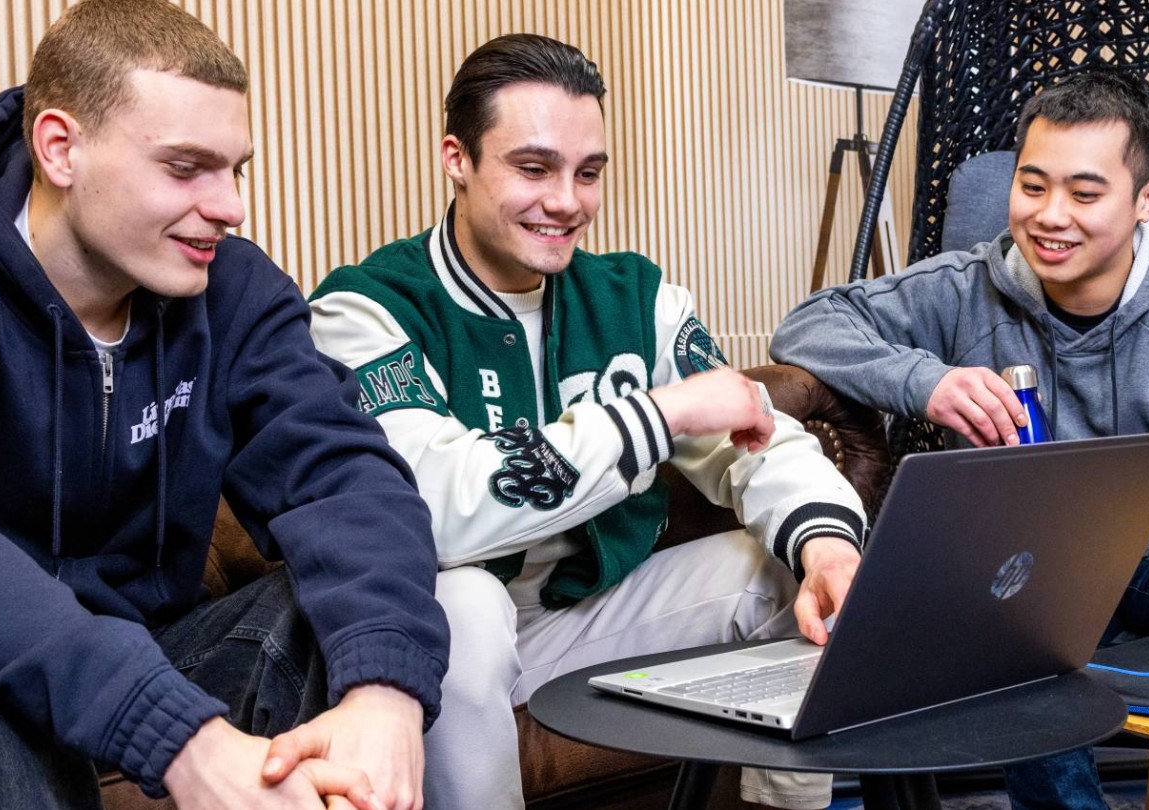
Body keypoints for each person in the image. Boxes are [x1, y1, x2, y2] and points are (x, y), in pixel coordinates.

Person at [0, 2, 447, 808]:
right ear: (60, 149)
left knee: (346, 620)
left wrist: (384, 689)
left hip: (165, 651)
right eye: (185, 168)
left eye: (234, 169)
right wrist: (171, 731)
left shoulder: (236, 291)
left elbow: (348, 481)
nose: (230, 206)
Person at [308, 34, 868, 810]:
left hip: (591, 612)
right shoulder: (366, 308)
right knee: (462, 602)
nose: (568, 200)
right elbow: (431, 510)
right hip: (452, 636)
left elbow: (759, 440)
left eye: (589, 172)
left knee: (786, 569)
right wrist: (659, 413)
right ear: (457, 159)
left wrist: (829, 546)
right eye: (533, 168)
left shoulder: (637, 296)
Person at [770, 71, 1149, 810]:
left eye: (1085, 195)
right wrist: (928, 380)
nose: (1051, 217)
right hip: (1029, 570)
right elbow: (808, 326)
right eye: (1033, 186)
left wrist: (1107, 529)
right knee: (1007, 593)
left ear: (1148, 198)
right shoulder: (963, 287)